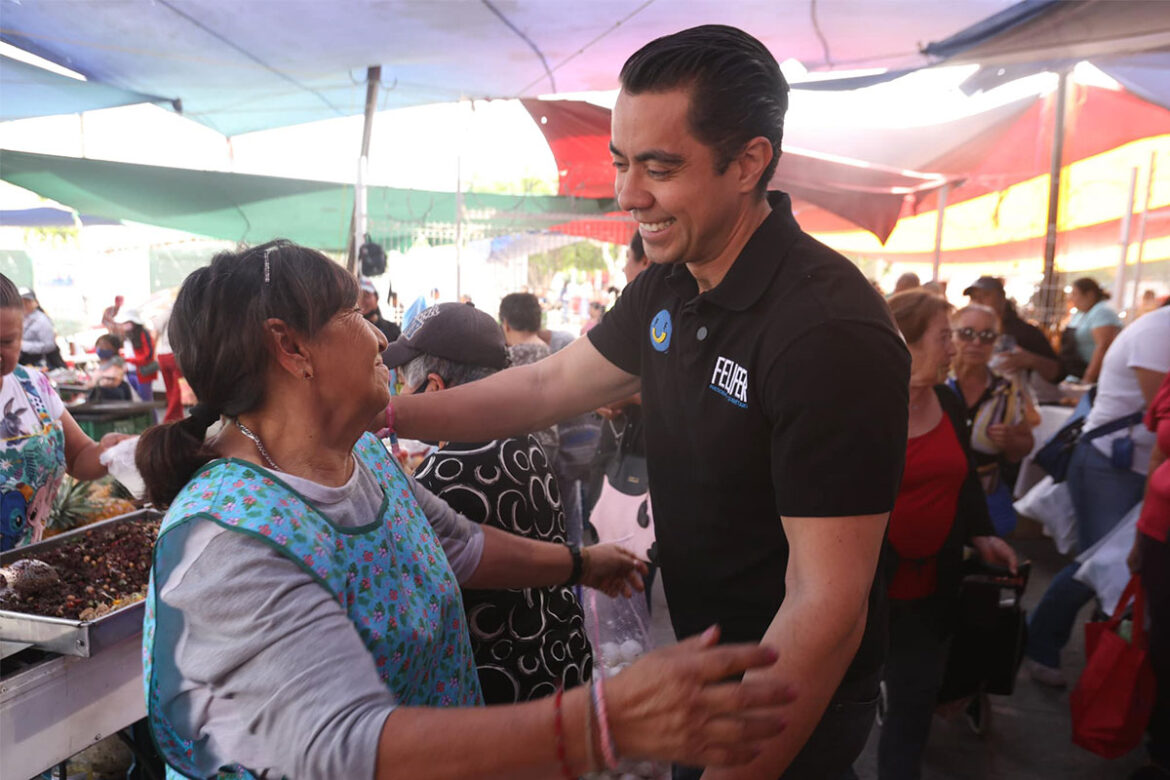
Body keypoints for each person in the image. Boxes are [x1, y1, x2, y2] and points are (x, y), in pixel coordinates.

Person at [383, 25, 911, 779]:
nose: (630, 196)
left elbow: (826, 606)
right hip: (702, 663)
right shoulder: (671, 278)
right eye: (623, 162)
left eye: (660, 168)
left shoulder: (826, 332)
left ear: (749, 163)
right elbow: (545, 385)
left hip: (789, 695)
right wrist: (387, 416)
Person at [137, 240, 796, 780]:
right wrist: (603, 723)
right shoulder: (227, 541)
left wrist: (579, 563)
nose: (377, 336)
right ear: (290, 348)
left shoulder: (355, 460)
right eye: (353, 315)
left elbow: (455, 544)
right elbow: (341, 745)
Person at [385, 302, 593, 704]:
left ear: (435, 388)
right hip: (560, 663)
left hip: (497, 693)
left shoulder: (436, 479)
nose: (402, 396)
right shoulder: (524, 440)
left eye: (406, 387)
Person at [878, 291, 1018, 779]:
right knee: (837, 710)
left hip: (932, 585)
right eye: (944, 337)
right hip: (865, 587)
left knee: (913, 705)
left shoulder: (949, 399)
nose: (954, 350)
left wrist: (981, 535)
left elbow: (962, 478)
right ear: (905, 341)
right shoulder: (864, 403)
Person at [1026, 304, 1170, 686]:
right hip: (1111, 464)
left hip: (1132, 466)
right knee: (1103, 563)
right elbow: (1163, 417)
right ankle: (1043, 642)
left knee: (1109, 563)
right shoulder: (1159, 332)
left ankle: (1098, 656)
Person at [0, 274, 129, 550]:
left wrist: (106, 451)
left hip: (23, 571)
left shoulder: (33, 387)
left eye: (7, 342)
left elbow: (79, 456)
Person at [946, 304, 1037, 536]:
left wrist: (1012, 441)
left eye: (986, 336)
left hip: (986, 500)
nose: (976, 343)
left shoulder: (1007, 390)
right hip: (937, 497)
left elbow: (1025, 445)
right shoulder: (935, 383)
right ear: (951, 335)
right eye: (967, 333)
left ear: (995, 342)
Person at [1129, 366, 1170, 780]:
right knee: (1163, 644)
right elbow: (1160, 454)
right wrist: (1140, 535)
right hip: (1161, 534)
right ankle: (1161, 749)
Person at [964, 275, 1063, 404]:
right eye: (974, 298)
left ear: (1002, 298)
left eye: (986, 295)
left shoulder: (1025, 332)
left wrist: (1031, 360)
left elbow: (1058, 373)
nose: (979, 301)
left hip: (1016, 407)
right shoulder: (966, 333)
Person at [498, 292, 559, 462]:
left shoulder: (507, 357)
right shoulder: (550, 353)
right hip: (550, 443)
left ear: (506, 324)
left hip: (519, 446)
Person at [1066, 277, 1122, 383]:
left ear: (1090, 295)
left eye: (1075, 294)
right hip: (1078, 372)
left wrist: (1089, 377)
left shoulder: (1102, 311)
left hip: (1098, 377)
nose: (1071, 298)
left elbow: (1103, 346)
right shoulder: (1080, 313)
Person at [17, 287, 65, 369]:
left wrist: (23, 345)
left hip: (40, 364)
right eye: (21, 301)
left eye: (27, 301)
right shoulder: (18, 317)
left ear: (35, 302)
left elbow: (49, 345)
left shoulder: (42, 320)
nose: (24, 304)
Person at [119, 309, 159, 402]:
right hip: (130, 372)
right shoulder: (126, 336)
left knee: (147, 401)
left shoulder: (143, 333)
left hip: (142, 372)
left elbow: (148, 355)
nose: (125, 324)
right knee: (140, 400)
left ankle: (152, 417)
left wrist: (129, 359)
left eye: (127, 322)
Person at [89, 333, 134, 402]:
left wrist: (93, 384)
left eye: (104, 346)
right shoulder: (103, 364)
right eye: (99, 345)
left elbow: (110, 381)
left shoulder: (117, 362)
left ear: (114, 348)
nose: (100, 348)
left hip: (111, 400)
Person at [359, 277, 401, 344]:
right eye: (357, 296)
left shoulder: (392, 330)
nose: (361, 301)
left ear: (377, 298)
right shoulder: (349, 331)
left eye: (366, 296)